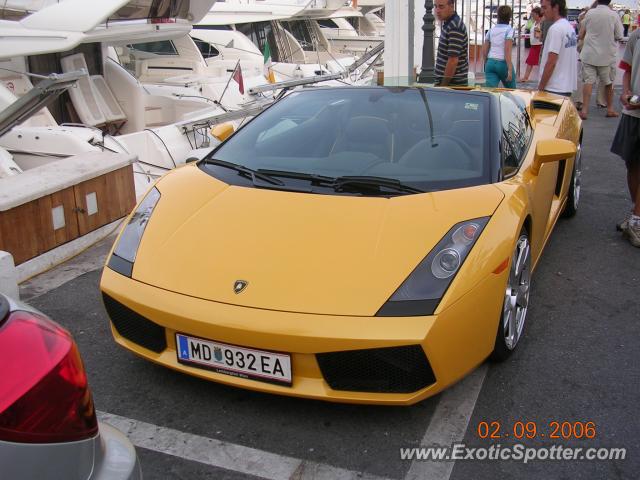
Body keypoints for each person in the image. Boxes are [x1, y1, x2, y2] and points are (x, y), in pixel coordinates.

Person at [611, 28, 640, 247]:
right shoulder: (636, 35)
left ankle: (637, 219)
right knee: (632, 164)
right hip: (633, 111)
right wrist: (625, 91)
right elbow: (628, 68)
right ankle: (636, 214)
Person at [578, 0, 623, 119]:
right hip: (606, 56)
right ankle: (610, 109)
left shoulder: (589, 13)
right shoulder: (614, 15)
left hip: (589, 54)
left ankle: (584, 110)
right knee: (608, 83)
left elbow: (581, 34)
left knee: (588, 81)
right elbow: (619, 35)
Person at [538, 0, 578, 97]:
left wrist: (541, 87)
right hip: (566, 87)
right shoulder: (569, 28)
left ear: (555, 7)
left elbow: (551, 61)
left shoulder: (556, 29)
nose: (542, 12)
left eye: (545, 7)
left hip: (554, 88)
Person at [434, 0, 469, 86]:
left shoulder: (454, 26)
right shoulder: (449, 24)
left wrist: (443, 86)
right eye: (435, 6)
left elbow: (453, 61)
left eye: (441, 7)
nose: (437, 10)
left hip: (452, 86)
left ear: (451, 6)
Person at [483, 6, 516, 88]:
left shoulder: (491, 30)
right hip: (503, 63)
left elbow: (485, 50)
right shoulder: (509, 30)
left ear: (498, 16)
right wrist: (510, 69)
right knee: (512, 91)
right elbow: (507, 50)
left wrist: (486, 62)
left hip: (490, 63)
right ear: (510, 17)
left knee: (490, 91)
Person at [520, 7, 543, 82]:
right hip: (534, 45)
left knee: (533, 62)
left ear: (537, 14)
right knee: (530, 61)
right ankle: (526, 77)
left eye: (533, 14)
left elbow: (539, 35)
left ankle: (526, 77)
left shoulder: (541, 22)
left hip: (538, 45)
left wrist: (538, 33)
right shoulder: (534, 22)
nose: (532, 16)